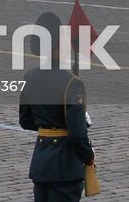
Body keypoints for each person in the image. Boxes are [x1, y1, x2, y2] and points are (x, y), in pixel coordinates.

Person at [19, 11, 95, 201]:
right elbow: (77, 134)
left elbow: (26, 120)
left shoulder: (30, 77)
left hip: (41, 163)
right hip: (65, 167)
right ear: (56, 47)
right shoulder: (72, 83)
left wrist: (49, 125)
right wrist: (88, 155)